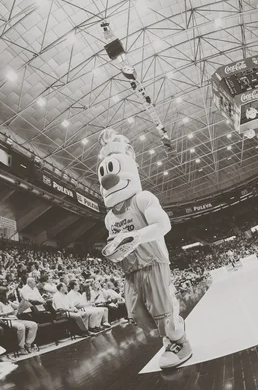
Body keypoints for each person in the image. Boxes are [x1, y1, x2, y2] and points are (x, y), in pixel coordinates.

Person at [97, 128, 191, 370]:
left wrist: (136, 237)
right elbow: (116, 243)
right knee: (139, 316)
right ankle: (170, 335)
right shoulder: (109, 217)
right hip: (131, 269)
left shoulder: (143, 198)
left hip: (154, 261)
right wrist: (112, 251)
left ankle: (179, 342)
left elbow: (163, 225)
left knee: (163, 314)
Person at [0, 286, 38, 354]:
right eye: (6, 292)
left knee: (33, 325)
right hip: (7, 321)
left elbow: (17, 307)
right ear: (2, 293)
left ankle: (28, 343)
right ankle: (21, 347)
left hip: (15, 319)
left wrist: (22, 304)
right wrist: (9, 312)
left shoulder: (7, 301)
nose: (8, 294)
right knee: (21, 327)